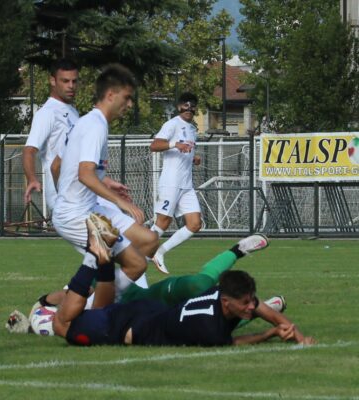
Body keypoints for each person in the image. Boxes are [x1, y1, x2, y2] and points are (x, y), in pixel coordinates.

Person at [52, 227, 315, 347]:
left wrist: (296, 333)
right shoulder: (210, 328)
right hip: (140, 316)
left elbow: (255, 311)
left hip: (142, 310)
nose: (250, 306)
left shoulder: (224, 298)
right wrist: (272, 333)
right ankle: (95, 255)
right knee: (60, 325)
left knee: (100, 305)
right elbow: (235, 341)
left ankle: (99, 255)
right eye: (246, 302)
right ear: (225, 299)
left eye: (251, 302)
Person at [52, 64, 158, 306]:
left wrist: (103, 183)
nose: (129, 105)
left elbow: (58, 166)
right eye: (127, 97)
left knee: (148, 241)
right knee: (133, 264)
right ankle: (90, 310)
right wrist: (118, 201)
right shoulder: (95, 126)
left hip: (88, 208)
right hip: (77, 216)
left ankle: (87, 300)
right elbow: (84, 174)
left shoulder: (89, 122)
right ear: (111, 95)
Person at [150, 92, 202, 274]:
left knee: (195, 224)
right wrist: (174, 144)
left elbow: (184, 151)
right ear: (179, 106)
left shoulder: (193, 128)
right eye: (185, 105)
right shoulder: (172, 124)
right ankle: (139, 252)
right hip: (171, 182)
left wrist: (193, 157)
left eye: (192, 106)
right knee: (163, 222)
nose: (189, 109)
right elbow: (154, 145)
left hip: (186, 185)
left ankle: (160, 252)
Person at [22, 59, 79, 211]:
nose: (71, 86)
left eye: (74, 81)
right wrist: (32, 179)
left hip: (78, 190)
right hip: (61, 194)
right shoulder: (47, 113)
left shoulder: (73, 112)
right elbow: (29, 150)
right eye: (65, 81)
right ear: (53, 81)